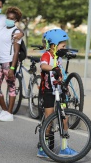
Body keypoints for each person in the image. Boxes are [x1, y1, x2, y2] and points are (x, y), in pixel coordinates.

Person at [37, 29, 77, 158]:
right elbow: (43, 66)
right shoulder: (47, 55)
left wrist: (65, 86)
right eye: (62, 45)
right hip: (48, 91)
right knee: (49, 120)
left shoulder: (58, 57)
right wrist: (53, 68)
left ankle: (64, 148)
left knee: (64, 118)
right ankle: (43, 148)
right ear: (53, 44)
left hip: (59, 91)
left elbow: (61, 74)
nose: (64, 48)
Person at [0, 7, 22, 122]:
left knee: (11, 86)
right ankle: (5, 111)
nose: (9, 20)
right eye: (8, 18)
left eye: (12, 18)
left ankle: (10, 113)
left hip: (8, 62)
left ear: (15, 20)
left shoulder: (16, 32)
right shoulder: (2, 29)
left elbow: (16, 52)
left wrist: (12, 67)